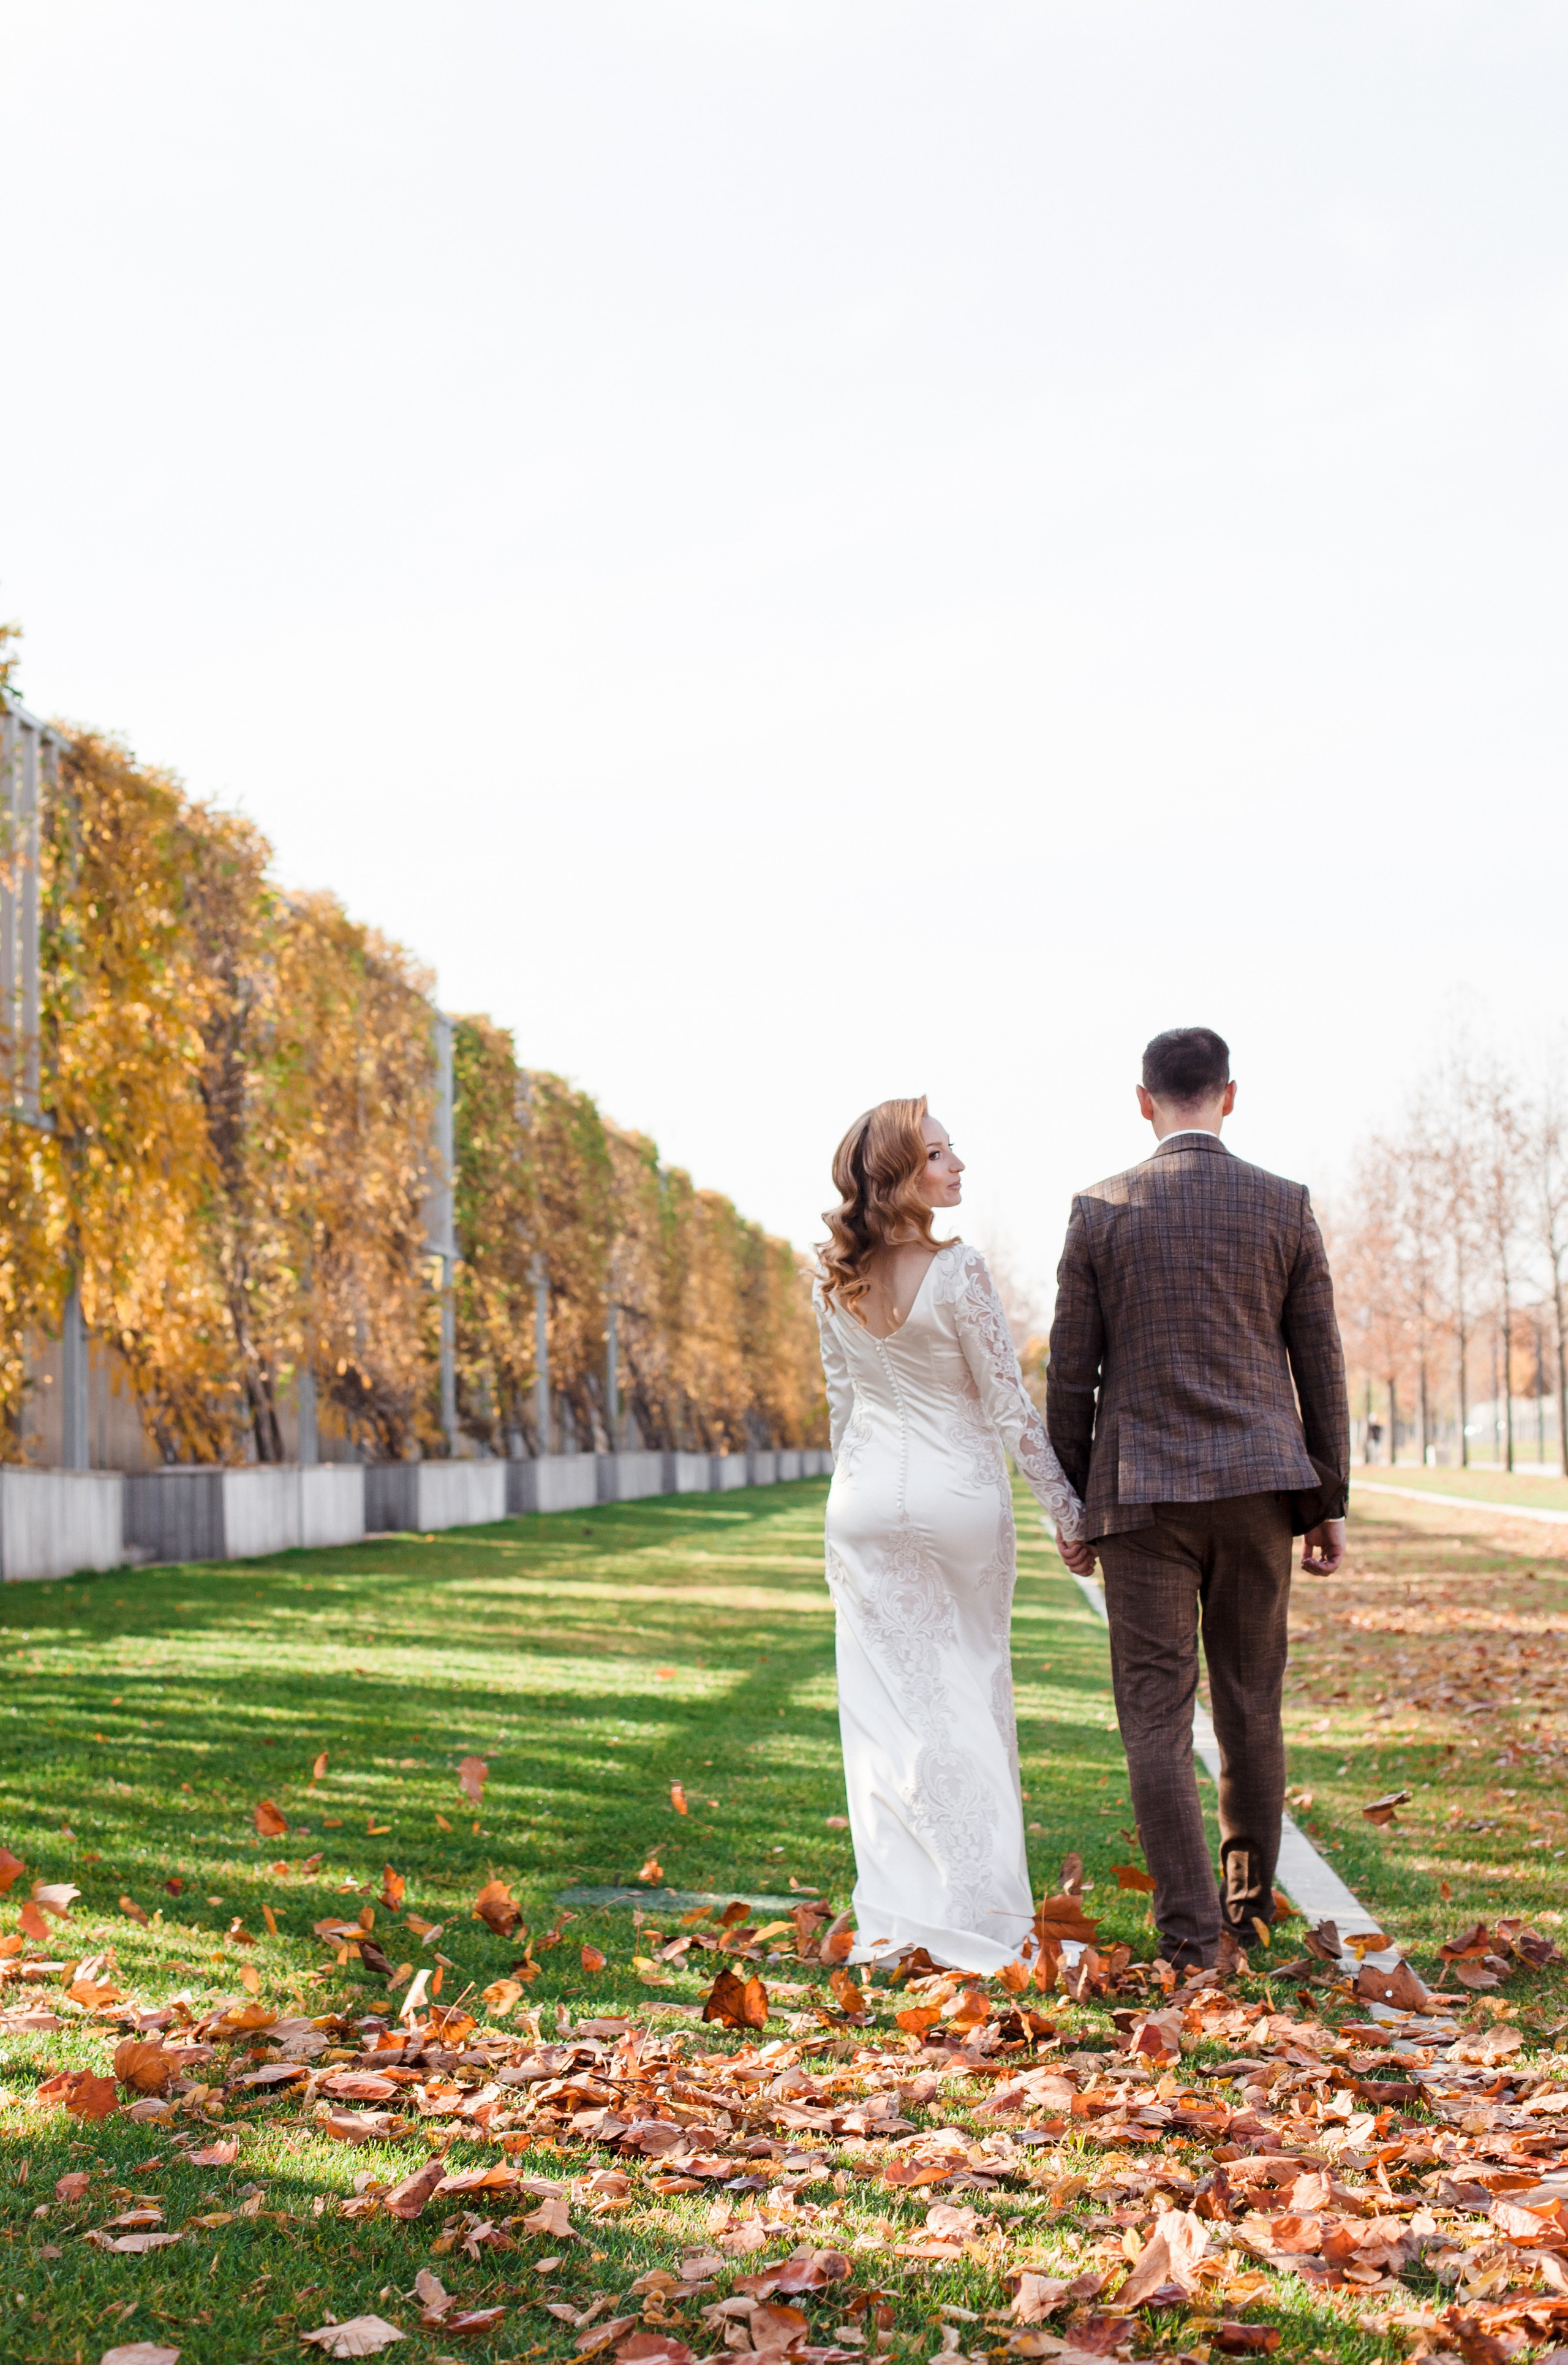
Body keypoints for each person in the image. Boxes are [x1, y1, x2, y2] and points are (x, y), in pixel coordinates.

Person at [1046, 1026, 1349, 1971]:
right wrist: (1326, 1498)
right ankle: (1250, 1912)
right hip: (1261, 1486)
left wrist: (1073, 1500)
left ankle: (1187, 1937)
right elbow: (1320, 1363)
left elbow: (1071, 1375)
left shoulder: (1100, 1211)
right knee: (1252, 1703)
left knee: (1154, 1713)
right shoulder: (1285, 1205)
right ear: (1229, 1094)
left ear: (1144, 1101)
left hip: (1140, 1496)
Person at [813, 1096, 1084, 1972]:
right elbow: (1008, 1404)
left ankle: (898, 1913)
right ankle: (975, 1913)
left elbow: (842, 1408)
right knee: (967, 1697)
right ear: (900, 1176)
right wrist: (1068, 1512)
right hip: (957, 1501)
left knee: (884, 1714)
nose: (958, 1163)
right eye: (937, 1153)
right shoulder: (960, 1269)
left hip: (861, 1507)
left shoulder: (832, 1277)